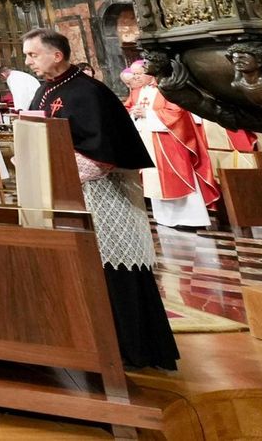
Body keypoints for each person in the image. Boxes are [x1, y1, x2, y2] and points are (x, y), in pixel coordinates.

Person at [21, 28, 177, 370]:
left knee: (114, 272)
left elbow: (103, 152)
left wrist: (54, 166)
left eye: (32, 54)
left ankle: (131, 349)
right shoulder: (46, 90)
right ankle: (89, 342)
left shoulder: (88, 91)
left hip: (105, 199)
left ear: (56, 54)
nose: (27, 61)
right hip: (67, 197)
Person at [122, 61, 219, 228]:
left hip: (170, 142)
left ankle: (191, 219)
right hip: (147, 139)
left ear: (150, 73)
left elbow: (177, 113)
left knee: (177, 177)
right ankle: (165, 218)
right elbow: (127, 108)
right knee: (154, 179)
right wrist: (134, 114)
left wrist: (149, 114)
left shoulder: (168, 89)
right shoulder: (138, 91)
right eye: (134, 74)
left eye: (139, 74)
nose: (136, 78)